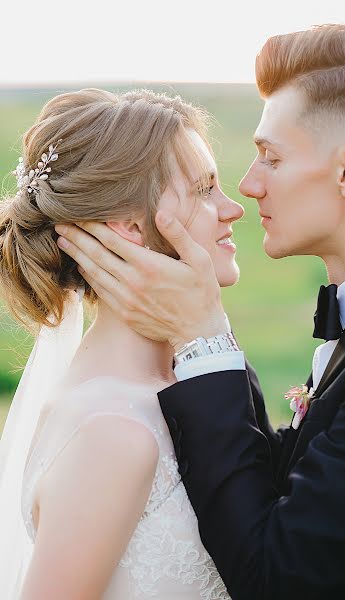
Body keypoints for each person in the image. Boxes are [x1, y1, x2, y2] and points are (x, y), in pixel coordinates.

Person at [55, 25, 345, 599]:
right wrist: (208, 335)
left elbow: (278, 575)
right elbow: (293, 488)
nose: (248, 187)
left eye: (270, 158)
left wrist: (203, 336)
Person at [0, 87, 245, 599]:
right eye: (204, 190)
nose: (231, 209)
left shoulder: (187, 381)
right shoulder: (113, 433)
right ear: (128, 227)